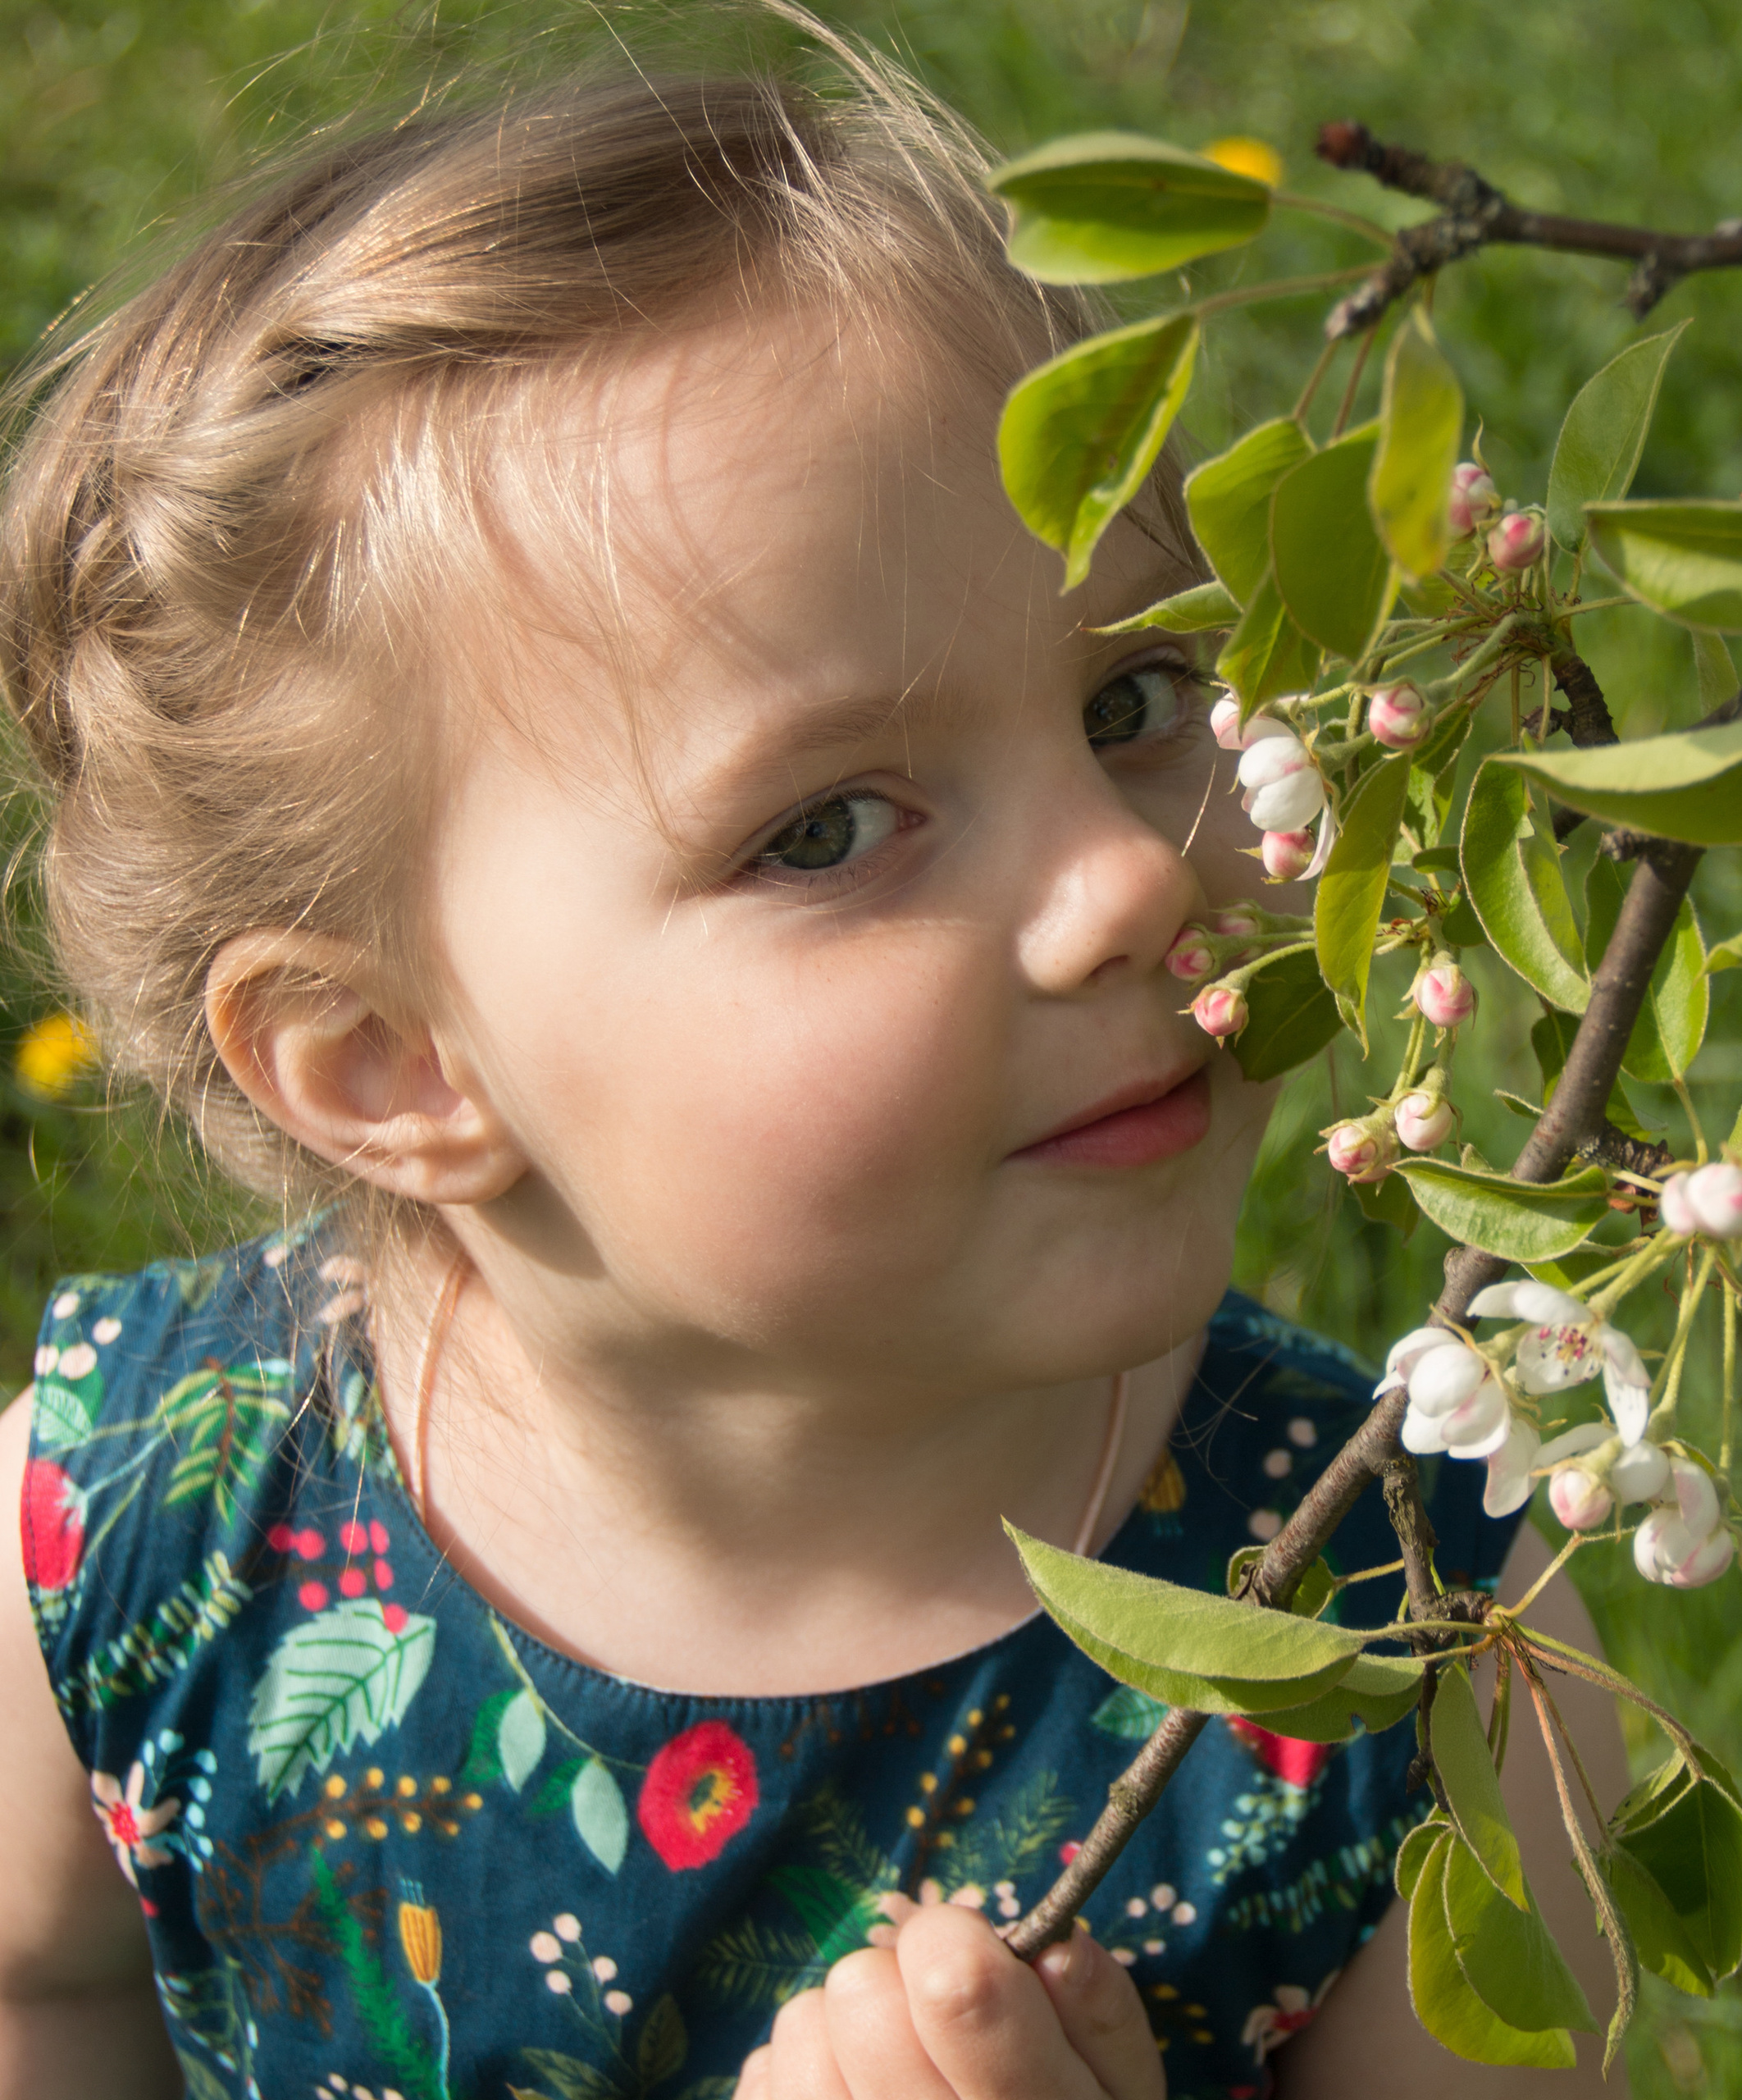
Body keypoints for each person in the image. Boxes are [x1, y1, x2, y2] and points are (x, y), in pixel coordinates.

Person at [0, 22, 1626, 2098]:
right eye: (831, 826)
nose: (1124, 882)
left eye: (1134, 693)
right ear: (387, 1058)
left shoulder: (1425, 1655)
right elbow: (43, 1988)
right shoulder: (132, 1531)